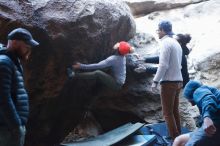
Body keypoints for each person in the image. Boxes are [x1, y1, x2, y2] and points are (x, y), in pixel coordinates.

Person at [0, 28, 39, 146]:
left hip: (9, 127)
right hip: (7, 128)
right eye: (26, 46)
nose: (29, 49)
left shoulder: (12, 62)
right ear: (15, 42)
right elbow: (3, 98)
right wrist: (16, 125)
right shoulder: (4, 63)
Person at [151, 20, 183, 140]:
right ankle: (178, 136)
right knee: (174, 111)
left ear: (163, 30)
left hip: (169, 82)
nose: (157, 32)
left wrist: (155, 81)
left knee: (167, 113)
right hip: (178, 81)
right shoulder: (175, 43)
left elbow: (163, 65)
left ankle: (175, 139)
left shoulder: (165, 43)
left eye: (158, 30)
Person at [67, 41, 134, 91]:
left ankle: (73, 75)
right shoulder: (122, 56)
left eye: (118, 44)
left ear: (118, 49)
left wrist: (81, 66)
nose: (117, 43)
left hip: (117, 84)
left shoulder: (114, 59)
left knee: (98, 73)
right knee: (104, 68)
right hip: (116, 77)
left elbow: (97, 66)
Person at [173, 80, 220, 146]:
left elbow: (208, 99)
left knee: (190, 144)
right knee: (179, 140)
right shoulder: (210, 91)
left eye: (189, 99)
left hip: (216, 122)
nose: (191, 104)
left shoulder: (198, 90)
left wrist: (207, 117)